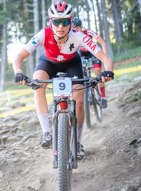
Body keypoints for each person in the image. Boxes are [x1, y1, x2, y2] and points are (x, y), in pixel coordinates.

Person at [13, 1, 114, 157]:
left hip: (72, 65)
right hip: (48, 63)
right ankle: (46, 132)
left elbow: (103, 57)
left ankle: (78, 142)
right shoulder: (43, 34)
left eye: (65, 21)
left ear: (70, 21)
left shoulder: (78, 36)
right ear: (50, 22)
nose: (60, 26)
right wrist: (18, 72)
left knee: (79, 102)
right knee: (37, 81)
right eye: (57, 21)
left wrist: (108, 71)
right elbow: (19, 56)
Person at [72, 17, 108, 108]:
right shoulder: (72, 35)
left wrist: (105, 57)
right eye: (73, 28)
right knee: (79, 73)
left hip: (93, 53)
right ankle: (88, 91)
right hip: (82, 54)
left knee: (98, 74)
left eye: (77, 27)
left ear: (81, 27)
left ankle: (103, 97)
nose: (75, 30)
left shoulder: (88, 32)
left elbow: (102, 43)